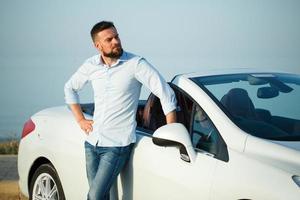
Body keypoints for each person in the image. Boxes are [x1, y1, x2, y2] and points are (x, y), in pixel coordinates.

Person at [64, 21, 177, 200]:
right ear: (98, 45)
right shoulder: (91, 65)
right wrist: (80, 119)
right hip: (92, 143)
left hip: (117, 145)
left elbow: (166, 93)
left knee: (94, 197)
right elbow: (70, 88)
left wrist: (173, 132)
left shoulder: (136, 64)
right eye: (109, 39)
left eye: (117, 36)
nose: (116, 41)